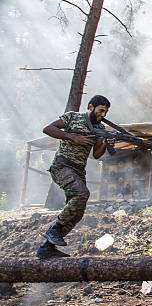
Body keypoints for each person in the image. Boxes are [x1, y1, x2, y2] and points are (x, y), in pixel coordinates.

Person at [36, 95, 115, 259]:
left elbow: (97, 154)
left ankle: (46, 248)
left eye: (106, 112)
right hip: (62, 165)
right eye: (101, 110)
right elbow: (47, 128)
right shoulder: (73, 117)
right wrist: (72, 137)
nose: (103, 115)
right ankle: (53, 231)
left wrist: (106, 144)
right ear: (91, 106)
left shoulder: (100, 128)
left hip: (79, 170)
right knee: (82, 194)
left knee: (77, 212)